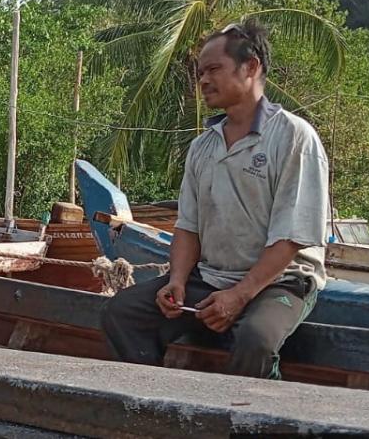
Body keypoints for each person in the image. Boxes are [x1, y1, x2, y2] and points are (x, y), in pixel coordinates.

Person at [101, 21, 329, 379]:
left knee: (255, 340)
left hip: (280, 282)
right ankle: (155, 405)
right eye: (200, 72)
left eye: (213, 69)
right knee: (122, 313)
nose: (203, 80)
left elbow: (291, 237)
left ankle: (255, 421)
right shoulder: (202, 146)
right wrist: (175, 281)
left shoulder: (294, 137)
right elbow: (188, 227)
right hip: (208, 281)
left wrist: (239, 296)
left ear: (251, 67)